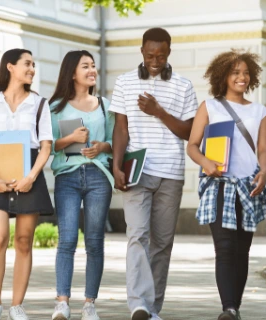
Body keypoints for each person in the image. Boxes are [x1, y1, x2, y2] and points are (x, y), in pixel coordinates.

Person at [109, 27, 198, 320]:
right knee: (137, 235)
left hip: (171, 172)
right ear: (142, 52)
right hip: (138, 170)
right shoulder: (124, 82)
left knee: (162, 242)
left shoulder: (184, 86)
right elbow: (120, 129)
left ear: (169, 52)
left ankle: (152, 308)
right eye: (150, 55)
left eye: (160, 55)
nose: (155, 61)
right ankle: (138, 302)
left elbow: (189, 132)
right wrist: (116, 165)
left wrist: (159, 111)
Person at [187, 49, 266, 320]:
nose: (242, 77)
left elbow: (264, 149)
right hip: (219, 185)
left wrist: (265, 170)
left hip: (248, 186)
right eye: (235, 72)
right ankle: (229, 309)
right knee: (224, 248)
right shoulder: (209, 106)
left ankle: (235, 305)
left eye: (246, 73)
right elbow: (192, 146)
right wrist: (206, 163)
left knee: (242, 250)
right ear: (223, 76)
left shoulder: (260, 111)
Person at [0, 48, 54, 320]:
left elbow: (46, 146)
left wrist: (31, 177)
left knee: (24, 241)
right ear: (10, 67)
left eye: (34, 64)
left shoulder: (40, 104)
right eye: (27, 63)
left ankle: (17, 306)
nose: (32, 68)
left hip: (29, 173)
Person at [48, 50, 115, 320]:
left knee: (95, 241)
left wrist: (101, 146)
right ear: (72, 72)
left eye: (93, 66)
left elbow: (116, 142)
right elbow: (48, 145)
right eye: (85, 66)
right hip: (67, 176)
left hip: (99, 176)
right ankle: (62, 302)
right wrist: (70, 139)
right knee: (66, 240)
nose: (92, 71)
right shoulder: (55, 107)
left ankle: (89, 304)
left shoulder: (104, 105)